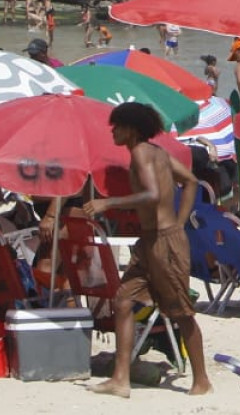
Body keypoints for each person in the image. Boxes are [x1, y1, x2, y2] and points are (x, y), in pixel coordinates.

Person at [84, 102, 209, 397]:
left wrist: (108, 202)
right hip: (152, 241)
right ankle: (120, 379)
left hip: (163, 242)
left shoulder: (140, 153)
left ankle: (201, 380)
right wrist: (180, 222)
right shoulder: (158, 152)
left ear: (131, 129)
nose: (113, 131)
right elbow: (191, 181)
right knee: (124, 301)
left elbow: (152, 194)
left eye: (117, 126)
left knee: (181, 312)